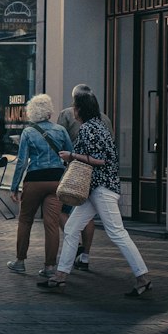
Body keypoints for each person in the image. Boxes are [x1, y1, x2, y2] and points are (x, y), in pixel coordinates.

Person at [37, 91, 151, 296]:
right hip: (95, 189)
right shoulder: (99, 126)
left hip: (101, 189)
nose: (73, 110)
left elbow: (100, 160)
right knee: (72, 228)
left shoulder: (89, 128)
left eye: (75, 106)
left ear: (80, 109)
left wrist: (71, 155)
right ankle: (60, 276)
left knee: (117, 233)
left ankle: (142, 277)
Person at [6, 94, 73, 278]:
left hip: (34, 180)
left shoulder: (28, 132)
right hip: (55, 180)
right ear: (49, 111)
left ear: (32, 112)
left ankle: (20, 261)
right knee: (51, 224)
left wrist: (14, 186)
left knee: (25, 220)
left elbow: (21, 161)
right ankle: (50, 266)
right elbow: (71, 156)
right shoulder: (60, 130)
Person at [56, 83, 114, 270]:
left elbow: (60, 141)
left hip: (77, 172)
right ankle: (84, 256)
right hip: (98, 178)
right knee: (86, 217)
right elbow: (110, 146)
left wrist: (69, 157)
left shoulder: (68, 115)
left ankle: (74, 253)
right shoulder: (104, 118)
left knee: (62, 211)